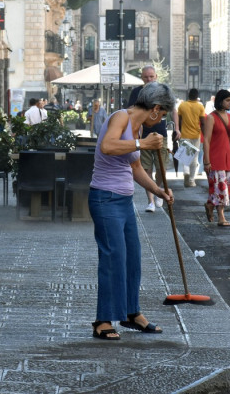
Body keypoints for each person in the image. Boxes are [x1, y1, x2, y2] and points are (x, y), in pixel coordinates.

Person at [88, 82, 175, 340]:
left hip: (124, 202)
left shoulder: (136, 129)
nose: (160, 121)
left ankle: (130, 313)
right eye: (162, 115)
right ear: (155, 109)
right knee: (113, 257)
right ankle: (102, 320)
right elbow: (107, 146)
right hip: (105, 199)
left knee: (132, 258)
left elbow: (136, 169)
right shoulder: (121, 117)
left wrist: (158, 191)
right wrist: (142, 144)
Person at [124, 65, 180, 212]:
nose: (149, 79)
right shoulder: (137, 92)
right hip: (143, 135)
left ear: (156, 77)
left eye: (151, 76)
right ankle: (151, 201)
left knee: (162, 168)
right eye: (146, 77)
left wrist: (177, 129)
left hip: (161, 134)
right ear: (142, 78)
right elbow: (129, 111)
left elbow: (174, 110)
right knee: (146, 168)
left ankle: (158, 190)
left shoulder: (162, 92)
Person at [202, 89, 230, 227]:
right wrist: (206, 161)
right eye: (228, 100)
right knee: (220, 188)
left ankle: (209, 204)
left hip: (227, 158)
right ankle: (221, 216)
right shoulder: (211, 118)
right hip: (215, 157)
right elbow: (206, 140)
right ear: (220, 101)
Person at [177, 88, 205, 187]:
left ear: (188, 95)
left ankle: (186, 171)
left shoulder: (182, 105)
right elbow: (203, 122)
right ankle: (192, 181)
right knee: (194, 158)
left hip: (184, 134)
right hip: (196, 135)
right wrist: (205, 135)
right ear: (197, 96)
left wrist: (178, 132)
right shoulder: (200, 106)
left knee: (185, 156)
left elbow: (179, 120)